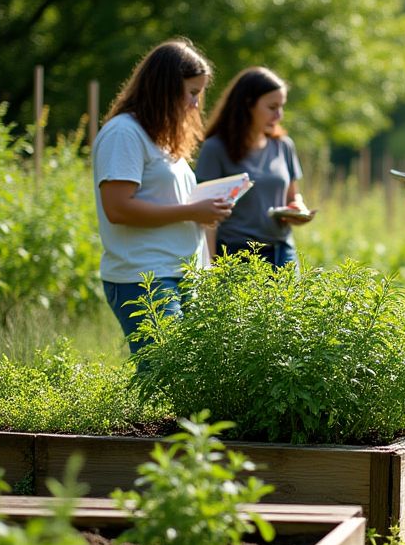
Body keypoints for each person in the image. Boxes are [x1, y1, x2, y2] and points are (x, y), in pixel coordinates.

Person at [92, 38, 233, 352]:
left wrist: (207, 207)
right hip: (145, 276)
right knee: (165, 378)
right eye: (192, 93)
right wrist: (194, 211)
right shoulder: (124, 134)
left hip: (181, 272)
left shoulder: (164, 138)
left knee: (191, 379)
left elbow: (171, 200)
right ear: (165, 88)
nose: (196, 104)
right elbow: (118, 209)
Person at [196, 66, 312, 269]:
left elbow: (293, 197)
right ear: (248, 104)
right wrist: (210, 267)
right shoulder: (215, 148)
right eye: (272, 107)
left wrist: (298, 209)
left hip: (281, 253)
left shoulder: (283, 146)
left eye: (281, 107)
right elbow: (207, 218)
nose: (279, 115)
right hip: (236, 256)